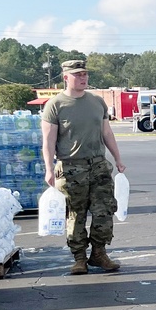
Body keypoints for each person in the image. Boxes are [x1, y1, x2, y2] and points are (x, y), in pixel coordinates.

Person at [41, 59, 126, 275]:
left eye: (85, 74)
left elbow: (107, 132)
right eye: (78, 74)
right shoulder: (55, 105)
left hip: (98, 165)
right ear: (65, 77)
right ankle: (79, 258)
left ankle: (99, 253)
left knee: (104, 211)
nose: (83, 78)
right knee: (75, 214)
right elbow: (48, 141)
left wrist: (117, 157)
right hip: (70, 167)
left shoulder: (97, 102)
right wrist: (49, 169)